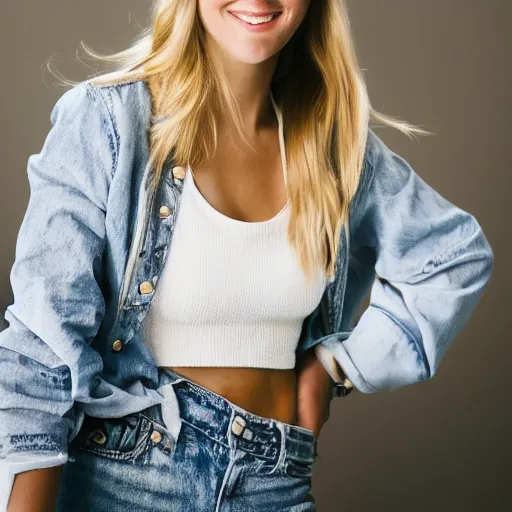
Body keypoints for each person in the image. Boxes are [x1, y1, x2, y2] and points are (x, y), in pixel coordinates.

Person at [1, 0, 494, 510]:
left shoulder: (332, 147)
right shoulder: (109, 120)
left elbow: (453, 258)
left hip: (274, 483)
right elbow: (42, 349)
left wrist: (337, 365)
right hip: (124, 480)